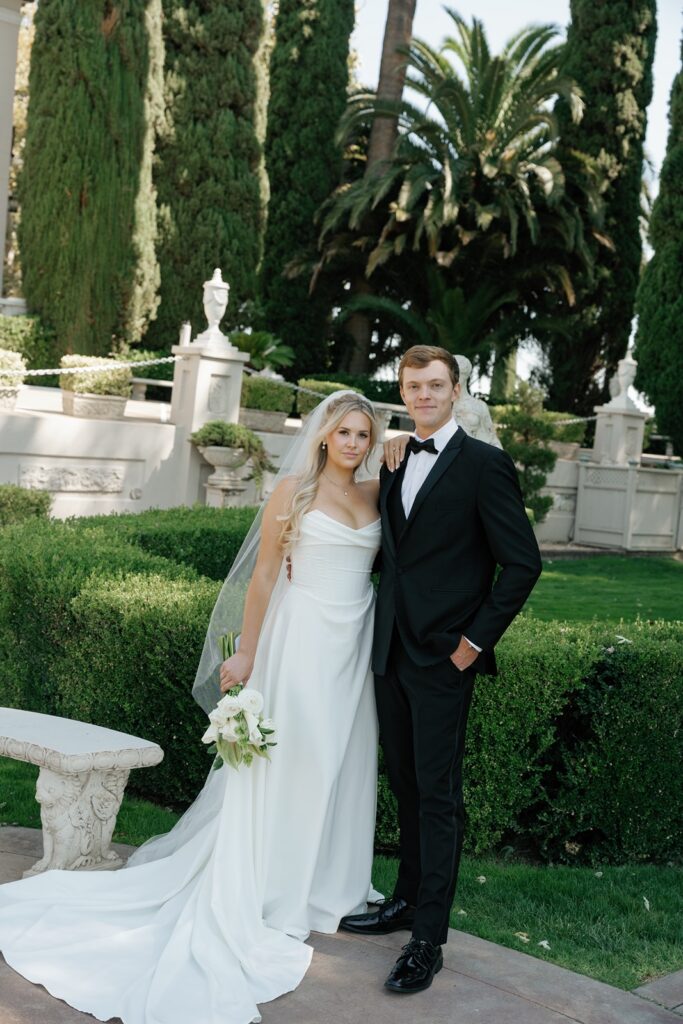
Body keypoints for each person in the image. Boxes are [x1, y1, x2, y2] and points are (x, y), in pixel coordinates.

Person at [0, 391, 384, 1024]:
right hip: (303, 641)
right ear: (323, 437)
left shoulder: (374, 496)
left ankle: (329, 879)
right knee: (294, 759)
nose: (353, 444)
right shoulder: (293, 490)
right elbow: (263, 576)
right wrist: (250, 654)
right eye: (344, 433)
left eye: (364, 436)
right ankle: (276, 881)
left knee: (340, 757)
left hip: (355, 642)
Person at [341, 345, 542, 995]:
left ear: (456, 390)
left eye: (434, 385)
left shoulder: (486, 466)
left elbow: (522, 564)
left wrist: (472, 645)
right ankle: (402, 901)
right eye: (412, 386)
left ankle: (427, 940)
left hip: (441, 659)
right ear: (402, 392)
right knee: (403, 781)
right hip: (388, 651)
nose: (423, 394)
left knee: (436, 796)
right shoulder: (396, 457)